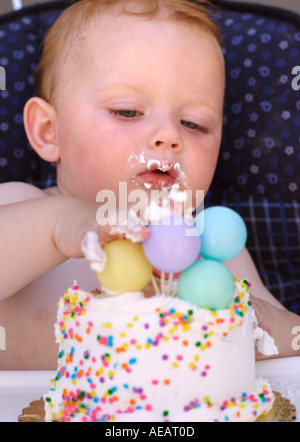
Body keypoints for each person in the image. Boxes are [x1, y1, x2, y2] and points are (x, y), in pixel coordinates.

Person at [0, 0, 298, 370]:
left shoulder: (208, 248)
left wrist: (262, 324)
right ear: (49, 131)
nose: (169, 136)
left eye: (194, 124)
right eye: (127, 111)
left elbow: (294, 339)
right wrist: (59, 225)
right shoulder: (16, 205)